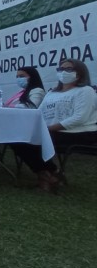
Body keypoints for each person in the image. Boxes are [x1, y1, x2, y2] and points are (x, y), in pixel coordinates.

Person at [11, 59, 97, 191]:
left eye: (68, 69)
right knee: (16, 137)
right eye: (60, 69)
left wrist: (48, 129)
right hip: (51, 131)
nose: (63, 72)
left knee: (30, 141)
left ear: (79, 73)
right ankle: (51, 173)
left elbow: (79, 118)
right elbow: (39, 113)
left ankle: (47, 176)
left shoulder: (85, 91)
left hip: (79, 133)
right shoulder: (52, 93)